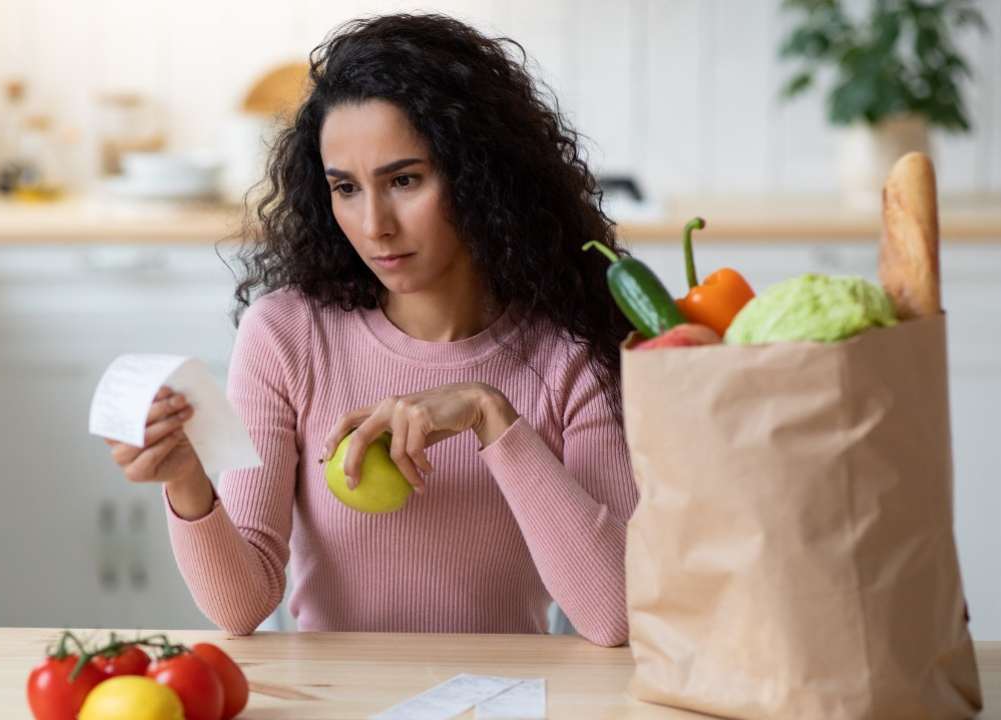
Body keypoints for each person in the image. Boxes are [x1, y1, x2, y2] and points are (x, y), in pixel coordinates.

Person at [105, 13, 637, 646]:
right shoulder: (287, 334)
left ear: (481, 176)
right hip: (334, 693)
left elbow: (615, 615)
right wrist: (187, 481)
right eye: (346, 188)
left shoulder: (569, 351)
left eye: (404, 180)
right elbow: (241, 606)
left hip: (507, 690)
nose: (374, 224)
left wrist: (489, 413)